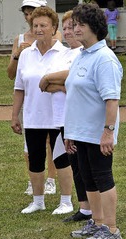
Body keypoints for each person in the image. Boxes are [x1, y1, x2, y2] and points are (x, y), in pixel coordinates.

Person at [65, 3, 123, 239]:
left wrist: (108, 132)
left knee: (102, 177)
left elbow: (111, 99)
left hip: (98, 132)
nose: (75, 29)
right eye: (74, 24)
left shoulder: (104, 59)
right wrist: (70, 131)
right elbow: (74, 96)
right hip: (80, 132)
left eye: (81, 25)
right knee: (87, 178)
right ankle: (97, 222)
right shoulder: (82, 55)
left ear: (95, 28)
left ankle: (111, 229)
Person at [10, 6, 74, 216]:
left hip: (59, 117)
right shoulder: (26, 55)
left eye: (43, 25)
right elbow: (19, 87)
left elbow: (70, 80)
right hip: (33, 116)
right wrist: (14, 115)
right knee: (35, 159)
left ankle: (66, 201)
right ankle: (38, 201)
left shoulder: (66, 53)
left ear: (54, 27)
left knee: (62, 159)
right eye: (35, 25)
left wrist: (50, 82)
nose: (38, 29)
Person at [39, 10, 92, 222]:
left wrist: (50, 77)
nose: (69, 31)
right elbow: (48, 87)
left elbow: (73, 79)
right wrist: (58, 84)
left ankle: (92, 207)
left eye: (73, 27)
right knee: (73, 164)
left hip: (79, 117)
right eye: (66, 27)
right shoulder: (61, 53)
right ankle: (84, 207)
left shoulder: (84, 54)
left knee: (85, 164)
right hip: (60, 117)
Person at [7, 0, 59, 197]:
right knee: (31, 144)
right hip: (32, 101)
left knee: (52, 142)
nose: (29, 17)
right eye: (27, 13)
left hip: (52, 101)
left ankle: (52, 179)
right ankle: (34, 181)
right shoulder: (20, 40)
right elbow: (12, 75)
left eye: (33, 12)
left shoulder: (56, 36)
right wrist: (17, 55)